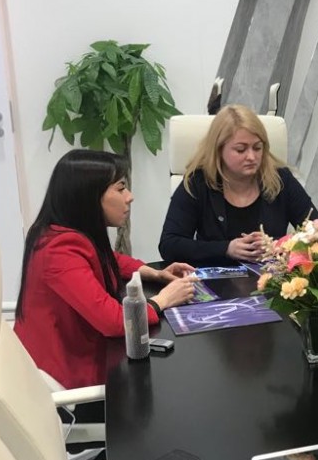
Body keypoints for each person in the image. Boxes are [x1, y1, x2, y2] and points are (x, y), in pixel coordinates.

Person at [15, 149, 196, 389]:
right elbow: (114, 322)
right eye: (121, 189)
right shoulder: (58, 250)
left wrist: (154, 273)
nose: (129, 197)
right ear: (88, 196)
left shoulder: (62, 233)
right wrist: (163, 300)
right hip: (68, 377)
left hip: (85, 353)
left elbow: (108, 258)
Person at [159, 104, 318, 265]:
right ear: (218, 150)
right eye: (241, 150)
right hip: (215, 277)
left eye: (257, 148)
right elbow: (169, 245)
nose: (251, 157)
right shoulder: (197, 182)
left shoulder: (281, 179)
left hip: (273, 277)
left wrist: (278, 244)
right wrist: (226, 249)